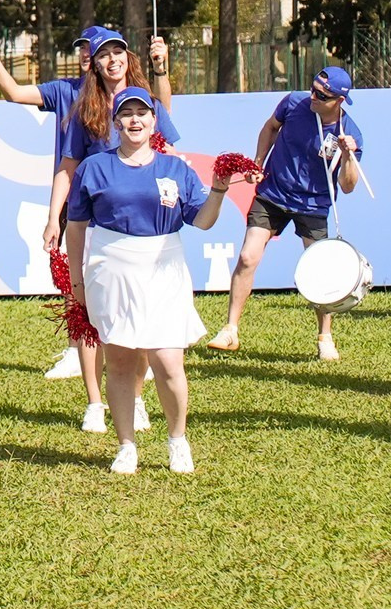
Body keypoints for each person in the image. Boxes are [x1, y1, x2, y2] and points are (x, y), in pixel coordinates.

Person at [0, 23, 169, 382]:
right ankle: (77, 349)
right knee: (75, 280)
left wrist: (161, 69)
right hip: (82, 201)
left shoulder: (138, 96)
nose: (97, 56)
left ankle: (133, 359)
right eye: (92, 50)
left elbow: (162, 117)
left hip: (133, 202)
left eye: (112, 51)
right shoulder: (69, 92)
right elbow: (14, 93)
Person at [73, 86, 250, 474]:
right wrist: (77, 280)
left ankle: (177, 440)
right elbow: (76, 225)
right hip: (111, 265)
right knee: (119, 360)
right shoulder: (94, 167)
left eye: (142, 113)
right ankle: (126, 445)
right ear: (115, 121)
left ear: (155, 121)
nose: (135, 120)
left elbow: (201, 220)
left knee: (168, 360)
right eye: (127, 113)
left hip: (163, 265)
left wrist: (218, 189)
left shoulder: (175, 169)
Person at [55, 27, 174, 432]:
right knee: (90, 314)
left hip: (139, 224)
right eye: (103, 54)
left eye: (118, 51)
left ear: (128, 56)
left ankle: (135, 397)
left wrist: (162, 70)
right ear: (94, 61)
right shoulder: (83, 109)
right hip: (94, 221)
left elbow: (166, 138)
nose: (112, 59)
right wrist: (54, 216)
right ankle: (94, 402)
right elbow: (67, 167)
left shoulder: (144, 101)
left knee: (135, 318)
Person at [209, 66, 364, 361]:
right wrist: (257, 162)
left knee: (321, 273)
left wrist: (347, 156)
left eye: (322, 95)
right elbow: (270, 127)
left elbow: (347, 186)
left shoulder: (350, 133)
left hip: (313, 205)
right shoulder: (294, 102)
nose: (313, 96)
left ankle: (325, 337)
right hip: (273, 194)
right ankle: (230, 329)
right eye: (313, 89)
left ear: (339, 101)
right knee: (247, 257)